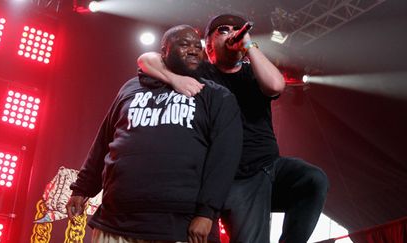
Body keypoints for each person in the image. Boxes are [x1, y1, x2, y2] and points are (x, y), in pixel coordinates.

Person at [137, 14, 329, 243]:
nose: (232, 33)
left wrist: (249, 45)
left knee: (313, 180)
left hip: (268, 167)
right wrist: (174, 79)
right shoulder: (200, 72)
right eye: (223, 30)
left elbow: (276, 85)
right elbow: (145, 59)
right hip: (235, 175)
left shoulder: (253, 72)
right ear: (207, 45)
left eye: (236, 29)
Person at [66, 24, 243, 243]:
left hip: (179, 225)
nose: (193, 50)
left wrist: (207, 212)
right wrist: (82, 187)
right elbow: (104, 141)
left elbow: (224, 161)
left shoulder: (216, 96)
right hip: (115, 221)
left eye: (197, 47)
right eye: (184, 44)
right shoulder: (131, 88)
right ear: (164, 51)